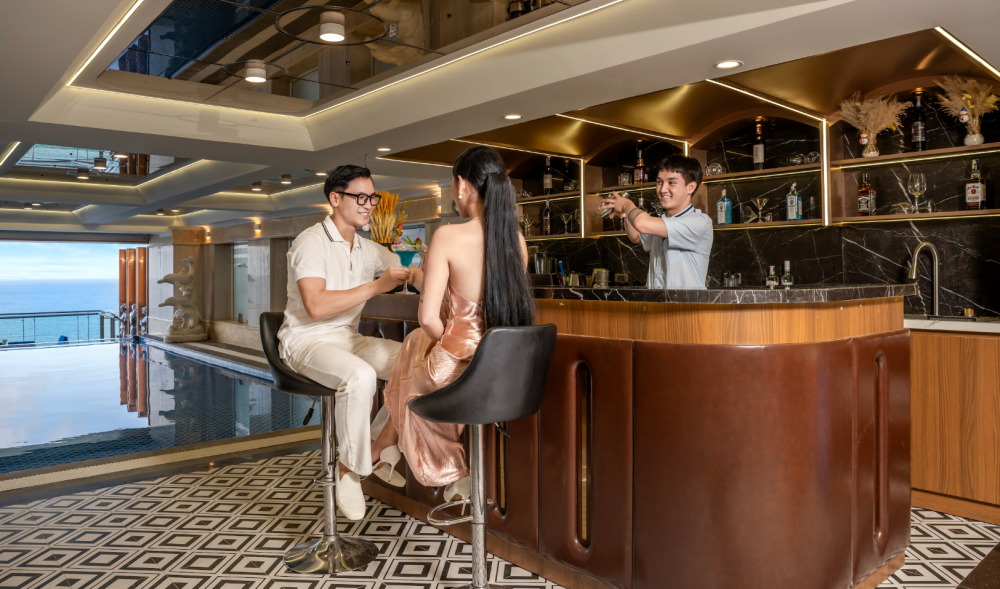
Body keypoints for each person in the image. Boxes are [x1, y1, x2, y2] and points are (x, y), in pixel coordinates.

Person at [369, 145, 534, 503]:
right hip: (503, 370)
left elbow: (428, 318)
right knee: (416, 344)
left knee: (417, 351)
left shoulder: (447, 235)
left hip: (459, 369)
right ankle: (386, 445)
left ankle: (447, 469)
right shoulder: (517, 242)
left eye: (451, 185)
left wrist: (449, 340)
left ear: (462, 185)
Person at [277, 164, 422, 521]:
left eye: (372, 197)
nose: (368, 204)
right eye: (360, 197)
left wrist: (426, 275)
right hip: (305, 340)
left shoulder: (367, 248)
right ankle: (349, 469)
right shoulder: (311, 242)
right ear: (335, 198)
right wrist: (376, 286)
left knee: (418, 364)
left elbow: (408, 268)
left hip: (347, 339)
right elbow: (316, 305)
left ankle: (378, 445)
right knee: (360, 377)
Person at [600, 155, 713, 289]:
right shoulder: (662, 222)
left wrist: (626, 204)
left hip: (685, 302)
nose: (663, 189)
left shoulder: (698, 222)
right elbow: (636, 237)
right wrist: (626, 215)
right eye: (659, 182)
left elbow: (641, 223)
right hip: (656, 300)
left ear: (691, 187)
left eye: (671, 183)